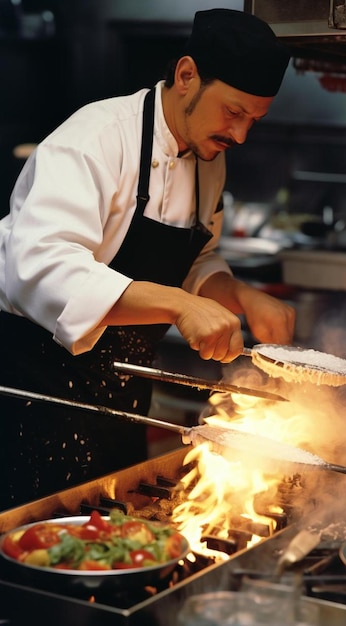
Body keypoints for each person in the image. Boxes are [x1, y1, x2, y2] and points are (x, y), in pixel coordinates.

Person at [0, 8, 295, 510]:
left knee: (117, 553)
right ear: (186, 76)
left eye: (254, 121)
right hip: (38, 400)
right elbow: (39, 265)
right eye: (233, 112)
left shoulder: (209, 159)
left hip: (124, 404)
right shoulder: (96, 138)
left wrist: (241, 295)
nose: (241, 136)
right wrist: (178, 304)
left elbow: (196, 260)